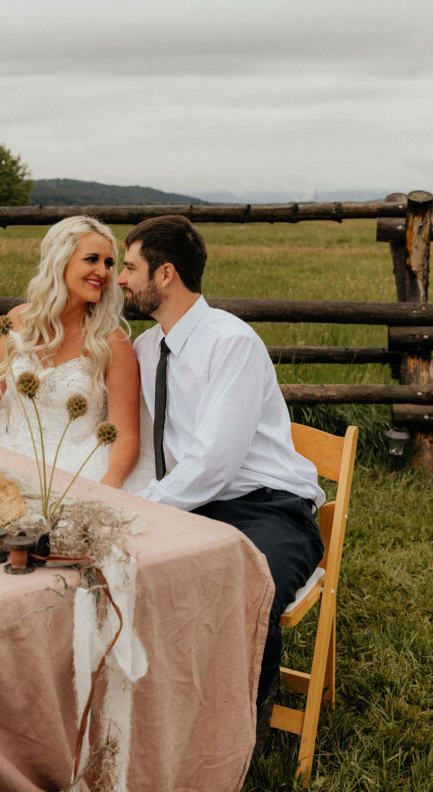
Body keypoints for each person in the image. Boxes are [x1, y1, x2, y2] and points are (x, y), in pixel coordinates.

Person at [117, 214, 325, 749]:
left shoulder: (232, 342)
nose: (121, 278)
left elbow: (215, 462)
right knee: (133, 578)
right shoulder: (144, 351)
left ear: (165, 275)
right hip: (195, 507)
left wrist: (146, 512)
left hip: (268, 507)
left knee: (249, 589)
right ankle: (163, 713)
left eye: (129, 267)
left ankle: (237, 734)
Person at [0, 216, 142, 489]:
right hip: (5, 452)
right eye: (92, 259)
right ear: (60, 260)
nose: (104, 271)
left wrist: (109, 484)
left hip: (78, 471)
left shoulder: (112, 341)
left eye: (109, 263)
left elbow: (126, 435)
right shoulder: (18, 322)